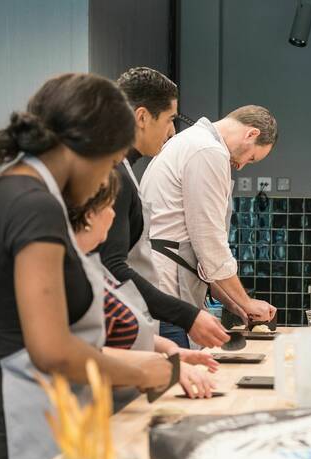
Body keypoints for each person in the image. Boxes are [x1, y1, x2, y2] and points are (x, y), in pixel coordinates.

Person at [0, 74, 171, 459]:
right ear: (88, 148)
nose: (103, 184)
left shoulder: (16, 188)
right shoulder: (35, 206)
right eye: (111, 165)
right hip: (19, 420)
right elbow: (52, 349)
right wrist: (139, 369)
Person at [98, 67, 228, 350]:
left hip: (133, 320)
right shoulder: (114, 176)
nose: (172, 131)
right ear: (142, 117)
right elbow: (112, 267)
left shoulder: (123, 170)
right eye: (170, 119)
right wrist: (187, 315)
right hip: (117, 327)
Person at [68, 172, 218, 404]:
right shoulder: (65, 272)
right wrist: (157, 368)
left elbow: (111, 330)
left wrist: (168, 349)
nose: (114, 216)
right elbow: (74, 350)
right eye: (110, 208)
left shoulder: (92, 265)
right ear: (89, 215)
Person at [141, 105, 277, 348]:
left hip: (163, 285)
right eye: (252, 157)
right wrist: (246, 302)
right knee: (179, 379)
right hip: (169, 290)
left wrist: (232, 302)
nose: (243, 165)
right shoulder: (208, 151)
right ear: (251, 134)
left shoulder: (190, 141)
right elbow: (209, 242)